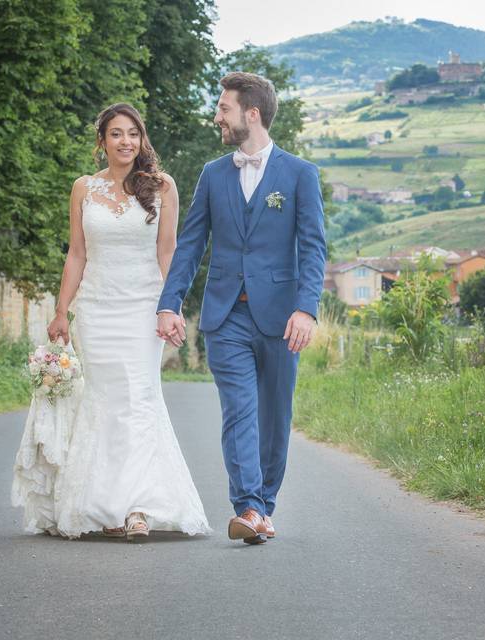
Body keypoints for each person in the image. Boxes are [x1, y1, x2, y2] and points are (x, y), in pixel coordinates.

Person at [13, 103, 211, 541]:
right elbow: (77, 254)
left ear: (143, 140)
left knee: (140, 397)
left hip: (144, 309)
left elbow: (168, 253)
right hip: (97, 310)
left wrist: (172, 305)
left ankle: (139, 507)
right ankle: (103, 505)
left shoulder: (163, 187)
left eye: (134, 134)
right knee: (104, 402)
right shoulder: (84, 189)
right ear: (101, 141)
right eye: (117, 134)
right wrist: (62, 310)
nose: (126, 142)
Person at [156, 72, 327, 544]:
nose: (217, 116)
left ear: (251, 113)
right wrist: (169, 304)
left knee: (274, 416)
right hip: (225, 315)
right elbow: (190, 246)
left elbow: (313, 248)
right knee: (239, 410)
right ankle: (249, 507)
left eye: (223, 109)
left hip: (281, 318)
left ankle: (265, 505)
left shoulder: (299, 175)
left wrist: (306, 309)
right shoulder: (213, 175)